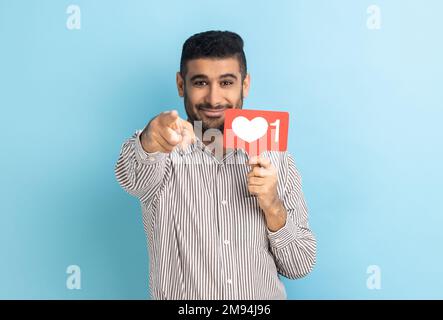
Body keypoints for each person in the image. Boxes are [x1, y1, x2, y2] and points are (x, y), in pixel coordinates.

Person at [115, 30, 316, 299]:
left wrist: (272, 205)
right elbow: (131, 178)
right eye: (200, 82)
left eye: (226, 82)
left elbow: (300, 265)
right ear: (180, 84)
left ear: (244, 85)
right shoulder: (162, 151)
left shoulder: (276, 159)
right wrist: (151, 139)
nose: (213, 98)